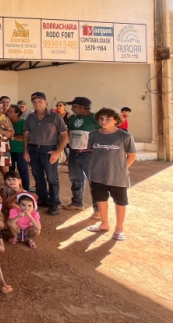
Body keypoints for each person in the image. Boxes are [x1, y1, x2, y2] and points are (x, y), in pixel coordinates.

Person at [85, 108, 136, 241]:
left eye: (108, 119)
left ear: (116, 120)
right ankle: (104, 224)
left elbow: (131, 156)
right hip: (97, 175)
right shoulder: (93, 135)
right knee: (101, 201)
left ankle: (119, 229)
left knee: (120, 202)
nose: (104, 121)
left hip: (118, 177)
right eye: (101, 118)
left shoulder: (124, 136)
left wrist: (122, 169)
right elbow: (92, 152)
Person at [23, 92, 68, 216]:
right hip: (33, 150)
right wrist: (26, 150)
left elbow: (64, 134)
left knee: (52, 178)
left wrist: (58, 152)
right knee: (38, 176)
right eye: (35, 102)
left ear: (46, 102)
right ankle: (43, 198)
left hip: (49, 150)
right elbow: (26, 134)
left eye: (40, 101)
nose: (38, 104)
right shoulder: (30, 117)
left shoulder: (55, 117)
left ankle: (54, 203)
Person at [64, 97, 101, 216]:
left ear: (81, 107)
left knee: (94, 182)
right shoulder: (73, 118)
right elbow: (69, 133)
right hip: (73, 152)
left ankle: (98, 210)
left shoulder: (95, 119)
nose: (71, 108)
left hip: (89, 154)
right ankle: (77, 203)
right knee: (75, 179)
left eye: (73, 106)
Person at [7, 105, 30, 191]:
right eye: (8, 111)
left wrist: (12, 137)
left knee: (22, 170)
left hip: (20, 150)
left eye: (11, 112)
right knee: (10, 171)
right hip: (9, 150)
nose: (9, 113)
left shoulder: (23, 122)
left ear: (17, 113)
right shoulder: (7, 122)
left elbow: (26, 137)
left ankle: (26, 189)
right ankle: (11, 189)